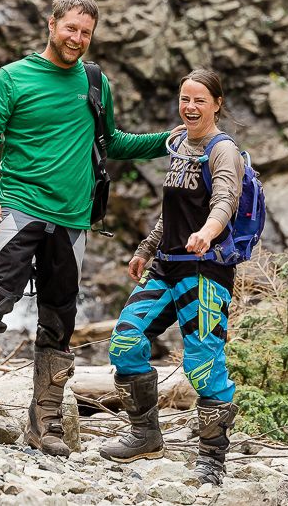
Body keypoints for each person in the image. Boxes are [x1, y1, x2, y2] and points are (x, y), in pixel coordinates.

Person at [0, 0, 174, 457]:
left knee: (59, 321)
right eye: (70, 28)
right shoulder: (13, 77)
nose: (77, 38)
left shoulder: (94, 81)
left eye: (86, 32)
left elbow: (112, 140)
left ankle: (46, 421)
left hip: (71, 222)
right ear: (51, 25)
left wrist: (168, 141)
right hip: (18, 209)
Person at [100, 69, 242, 486]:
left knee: (203, 366)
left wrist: (207, 232)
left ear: (216, 104)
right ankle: (145, 435)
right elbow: (172, 211)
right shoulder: (179, 144)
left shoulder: (223, 150)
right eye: (185, 99)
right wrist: (146, 248)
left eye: (199, 100)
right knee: (125, 341)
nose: (190, 107)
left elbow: (225, 199)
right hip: (166, 265)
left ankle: (212, 459)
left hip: (206, 269)